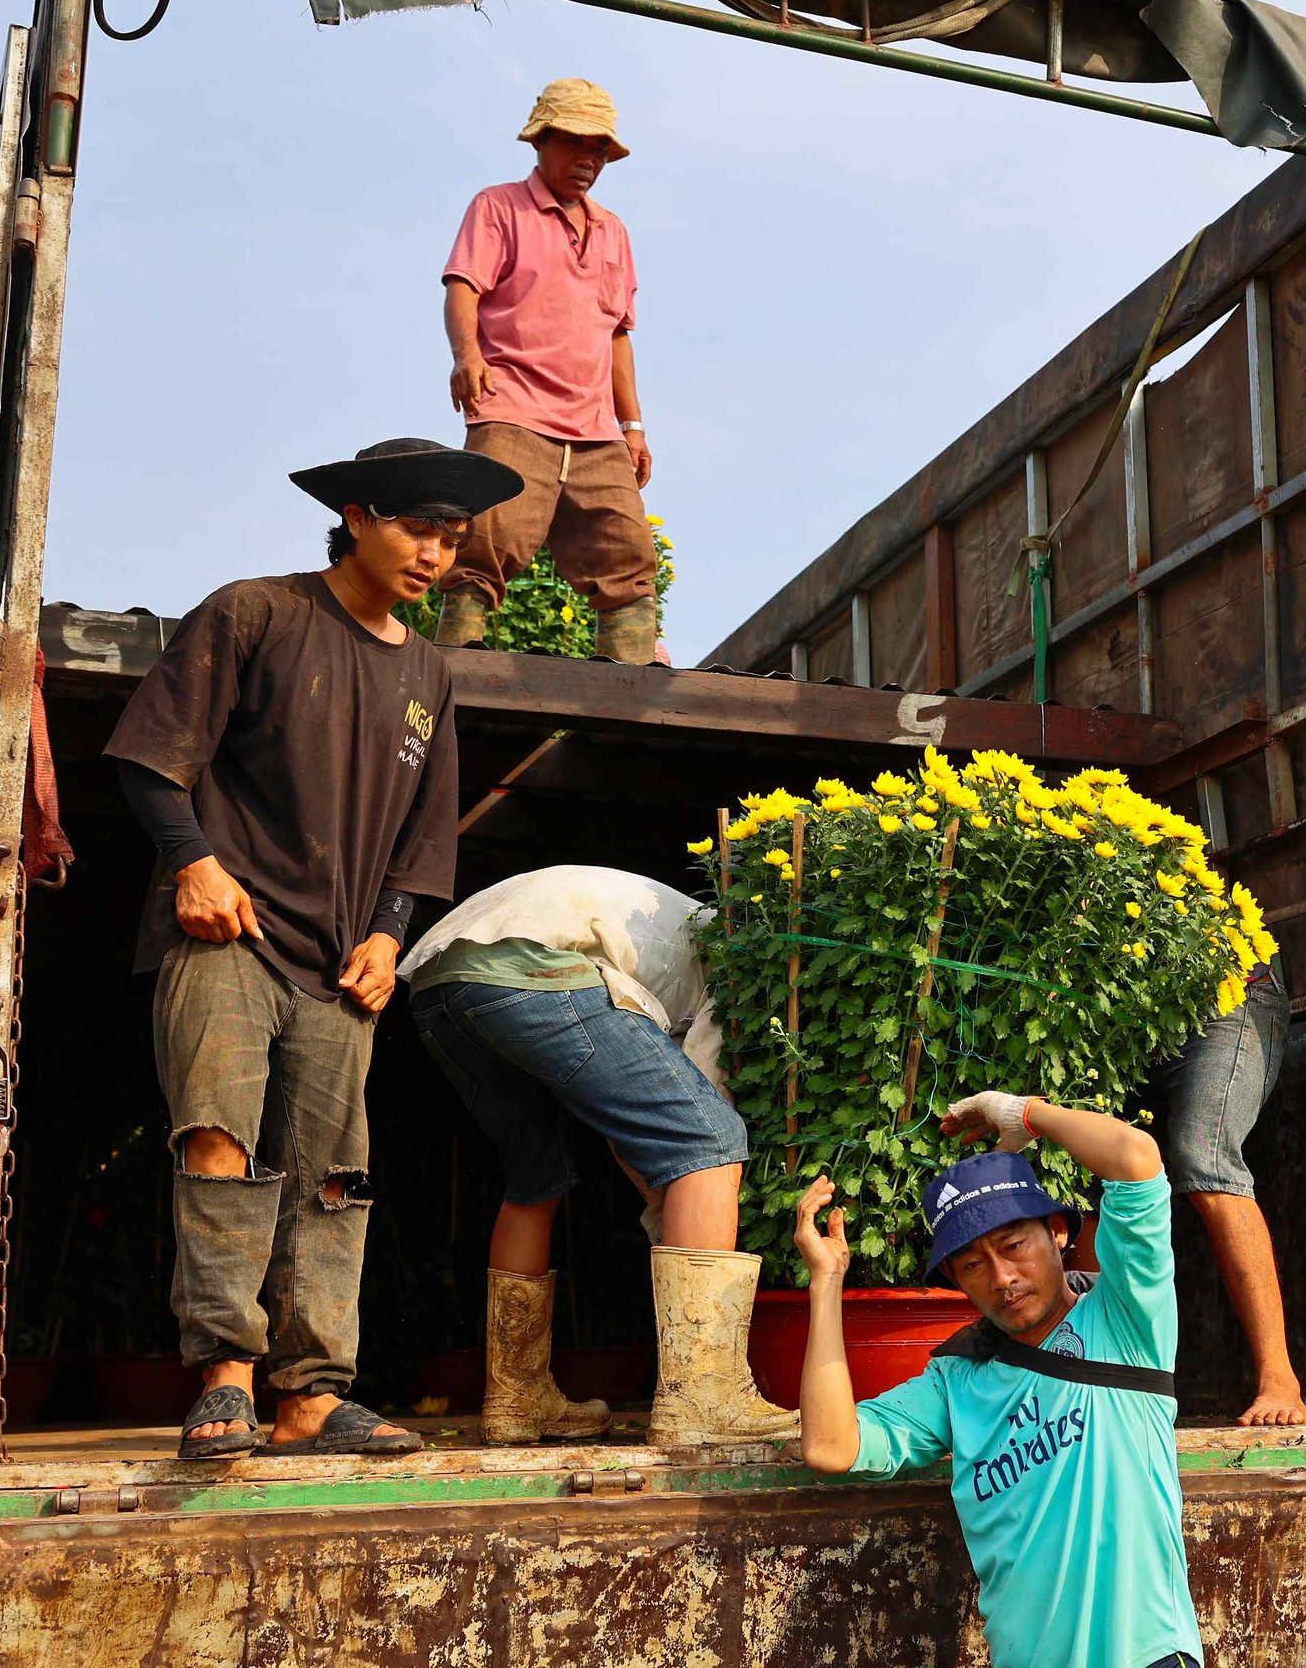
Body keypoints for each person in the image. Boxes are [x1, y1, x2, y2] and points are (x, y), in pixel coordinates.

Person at [107, 437, 522, 1460]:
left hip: (342, 967)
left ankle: (311, 1398)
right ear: (359, 518)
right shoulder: (256, 612)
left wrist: (389, 933)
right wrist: (195, 865)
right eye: (418, 529)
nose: (435, 554)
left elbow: (424, 837)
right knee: (219, 1144)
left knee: (335, 1180)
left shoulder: (428, 672)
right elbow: (152, 759)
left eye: (451, 538)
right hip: (229, 934)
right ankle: (225, 1384)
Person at [797, 1094, 1205, 1668]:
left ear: (1057, 1232)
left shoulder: (1126, 1319)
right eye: (972, 1264)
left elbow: (1136, 1157)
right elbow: (830, 1446)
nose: (1002, 1277)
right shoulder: (955, 1380)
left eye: (1014, 1245)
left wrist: (1023, 1113)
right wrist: (825, 1283)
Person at [400, 866, 799, 1448]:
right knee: (711, 1140)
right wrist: (675, 1216)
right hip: (530, 967)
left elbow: (631, 1123)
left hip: (439, 980)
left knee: (535, 1179)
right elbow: (692, 1130)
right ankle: (703, 1399)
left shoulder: (676, 920)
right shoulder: (730, 963)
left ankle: (516, 1397)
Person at [437, 78, 660, 665]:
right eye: (575, 143)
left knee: (628, 555)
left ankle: (632, 691)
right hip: (513, 406)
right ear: (541, 141)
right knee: (483, 541)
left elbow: (617, 333)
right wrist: (467, 356)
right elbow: (463, 287)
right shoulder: (498, 206)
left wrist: (633, 426)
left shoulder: (613, 231)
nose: (588, 159)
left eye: (599, 149)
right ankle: (457, 674)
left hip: (595, 430)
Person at [1137, 965, 1306, 1426]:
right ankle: (1093, 1377)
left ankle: (1279, 1378)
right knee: (1098, 1173)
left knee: (1204, 1157)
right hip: (1129, 1018)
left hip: (1225, 994)